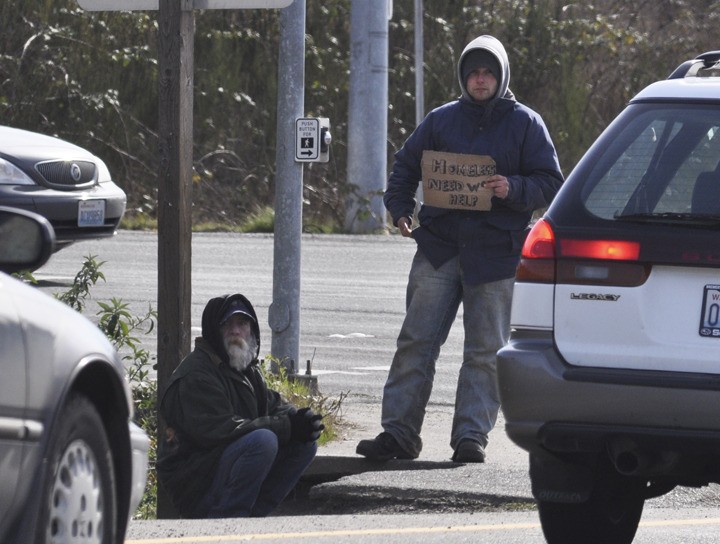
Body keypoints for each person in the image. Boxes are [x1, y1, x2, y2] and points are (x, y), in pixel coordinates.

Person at [356, 35, 563, 464]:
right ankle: (398, 434)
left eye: (488, 71)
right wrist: (399, 209)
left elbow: (551, 182)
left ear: (501, 75)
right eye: (473, 72)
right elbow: (405, 165)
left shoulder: (527, 123)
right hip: (439, 248)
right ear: (463, 76)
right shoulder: (440, 120)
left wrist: (513, 187)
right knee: (415, 341)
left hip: (495, 254)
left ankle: (471, 437)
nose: (480, 79)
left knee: (486, 350)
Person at [157, 293, 324, 518]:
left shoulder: (244, 368)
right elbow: (222, 430)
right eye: (227, 324)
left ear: (252, 331)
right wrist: (286, 427)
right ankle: (227, 519)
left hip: (218, 469)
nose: (236, 331)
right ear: (213, 331)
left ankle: (254, 518)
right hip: (196, 485)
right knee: (263, 441)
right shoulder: (197, 375)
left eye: (243, 323)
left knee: (305, 443)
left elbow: (273, 405)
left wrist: (299, 419)